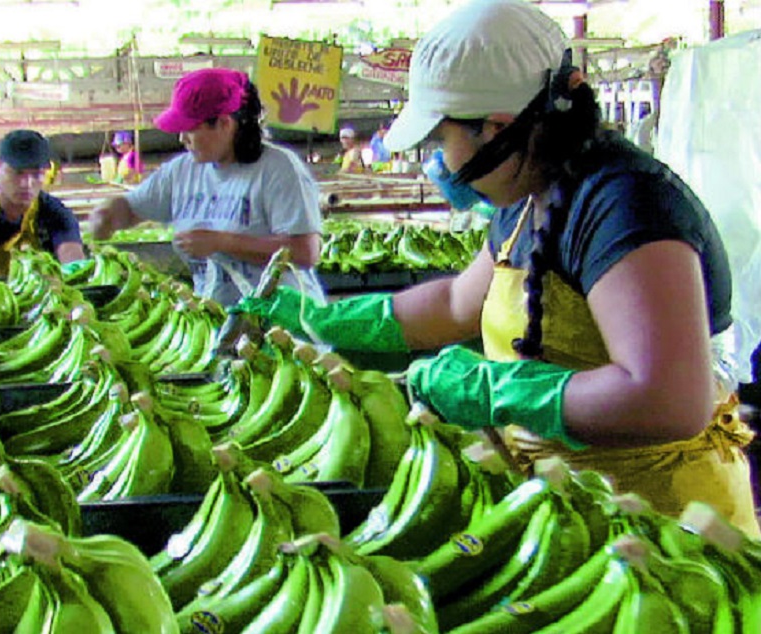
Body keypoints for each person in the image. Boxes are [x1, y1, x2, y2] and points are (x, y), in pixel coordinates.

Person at [233, 0, 759, 535]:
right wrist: (326, 320)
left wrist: (499, 389)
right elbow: (457, 303)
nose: (440, 160)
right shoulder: (530, 192)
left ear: (495, 128)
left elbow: (668, 398)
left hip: (667, 524)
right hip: (572, 506)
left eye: (442, 139)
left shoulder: (625, 207)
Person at [89, 67, 324, 306]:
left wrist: (223, 243)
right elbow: (131, 208)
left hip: (284, 322)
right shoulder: (182, 170)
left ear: (224, 124)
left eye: (190, 128)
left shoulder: (279, 169)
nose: (182, 138)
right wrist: (107, 214)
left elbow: (305, 252)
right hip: (221, 320)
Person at [0, 129, 85, 264]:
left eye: (36, 174)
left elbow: (71, 256)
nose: (26, 183)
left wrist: (74, 268)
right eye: (17, 173)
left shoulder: (57, 215)